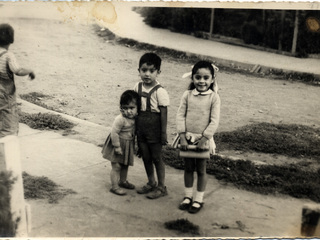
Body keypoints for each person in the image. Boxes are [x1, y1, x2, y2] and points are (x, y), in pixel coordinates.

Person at [176, 60, 221, 214]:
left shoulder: (214, 98)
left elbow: (214, 121)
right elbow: (180, 115)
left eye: (206, 78)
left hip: (203, 140)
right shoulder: (187, 95)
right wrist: (182, 136)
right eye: (198, 77)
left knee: (201, 169)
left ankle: (198, 199)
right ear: (192, 78)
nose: (201, 81)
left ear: (212, 79)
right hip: (187, 137)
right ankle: (188, 197)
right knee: (188, 168)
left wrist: (205, 139)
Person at [133, 52, 170, 199]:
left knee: (156, 157)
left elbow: (164, 112)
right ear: (139, 71)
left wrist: (163, 132)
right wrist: (134, 127)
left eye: (151, 71)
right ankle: (151, 182)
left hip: (155, 128)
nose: (147, 74)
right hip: (141, 127)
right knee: (146, 157)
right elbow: (134, 106)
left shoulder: (160, 91)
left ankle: (162, 187)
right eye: (144, 70)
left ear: (158, 72)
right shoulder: (137, 86)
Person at [101, 90, 140, 196]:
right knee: (116, 166)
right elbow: (114, 132)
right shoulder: (120, 119)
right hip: (117, 145)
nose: (129, 111)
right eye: (125, 108)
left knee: (125, 165)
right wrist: (117, 146)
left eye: (132, 108)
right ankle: (114, 186)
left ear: (137, 108)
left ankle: (123, 181)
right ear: (121, 108)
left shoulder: (135, 119)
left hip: (127, 145)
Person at [0, 23, 35, 138]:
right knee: (9, 121)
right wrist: (29, 70)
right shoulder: (8, 56)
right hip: (6, 95)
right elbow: (18, 70)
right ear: (11, 40)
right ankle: (7, 140)